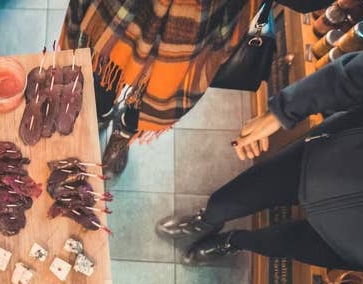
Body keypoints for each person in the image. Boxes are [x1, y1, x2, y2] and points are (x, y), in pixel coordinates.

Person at [157, 0, 363, 270]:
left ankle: (233, 242)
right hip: (345, 156)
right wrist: (284, 110)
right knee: (247, 190)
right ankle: (207, 219)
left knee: (282, 244)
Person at [60, 0, 332, 173]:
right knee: (100, 67)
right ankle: (99, 114)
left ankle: (124, 131)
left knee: (155, 93)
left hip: (197, 21)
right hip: (124, 8)